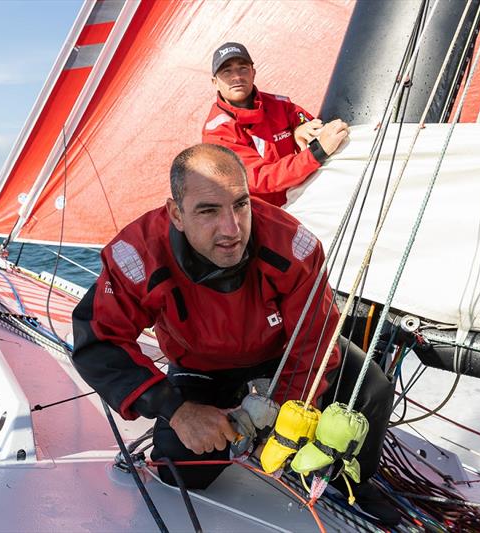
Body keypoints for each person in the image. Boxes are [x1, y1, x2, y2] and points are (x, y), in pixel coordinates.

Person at [71, 144, 398, 525]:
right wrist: (176, 410)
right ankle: (243, 436)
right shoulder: (140, 254)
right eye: (208, 211)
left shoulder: (291, 245)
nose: (231, 229)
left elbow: (315, 340)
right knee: (179, 464)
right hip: (203, 367)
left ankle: (347, 481)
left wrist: (280, 406)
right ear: (176, 213)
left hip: (281, 354)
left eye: (240, 205)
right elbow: (99, 340)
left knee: (371, 385)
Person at [202, 42, 349, 207]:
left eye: (243, 68)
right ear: (215, 82)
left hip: (305, 197)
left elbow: (320, 130)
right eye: (227, 71)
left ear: (253, 73)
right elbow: (261, 178)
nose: (237, 77)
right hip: (265, 218)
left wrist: (299, 131)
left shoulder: (280, 105)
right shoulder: (217, 133)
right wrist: (317, 151)